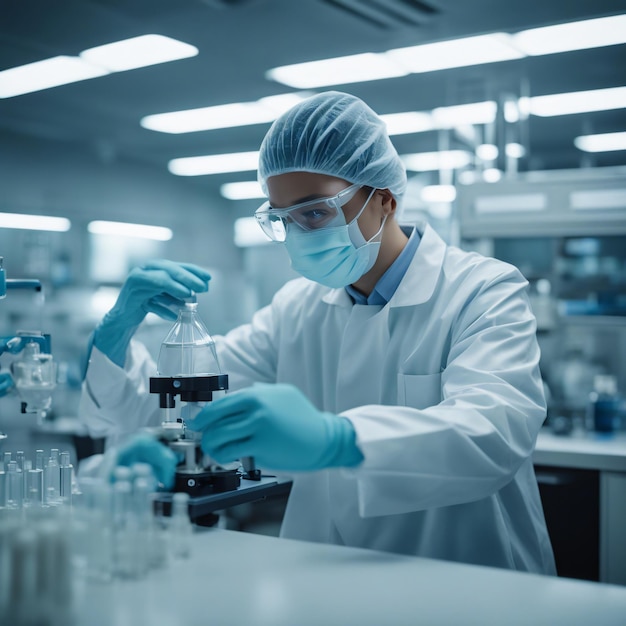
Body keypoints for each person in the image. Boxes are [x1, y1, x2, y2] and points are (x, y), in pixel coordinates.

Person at [80, 91, 556, 574]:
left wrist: (337, 439)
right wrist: (118, 327)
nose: (300, 235)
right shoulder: (297, 307)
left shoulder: (481, 289)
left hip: (464, 578)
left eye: (314, 213)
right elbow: (183, 395)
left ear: (384, 200)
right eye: (283, 219)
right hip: (325, 571)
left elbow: (494, 432)